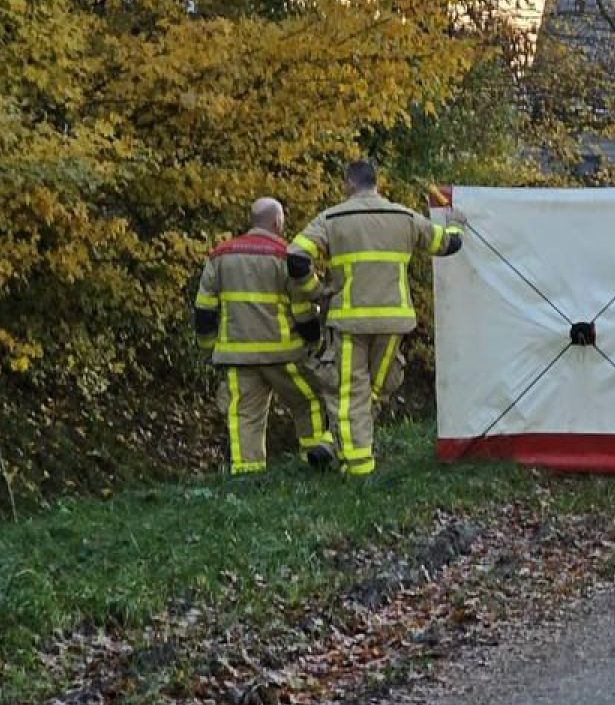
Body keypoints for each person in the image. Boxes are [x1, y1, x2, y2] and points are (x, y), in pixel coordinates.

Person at [289, 160, 464, 476]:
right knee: (375, 389)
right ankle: (333, 443)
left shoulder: (332, 218)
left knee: (349, 392)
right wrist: (456, 225)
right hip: (393, 322)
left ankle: (357, 467)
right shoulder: (404, 217)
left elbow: (296, 257)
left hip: (349, 322)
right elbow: (448, 245)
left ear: (348, 183)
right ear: (376, 184)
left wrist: (316, 291)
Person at [193, 198, 336, 475]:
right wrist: (313, 342)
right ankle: (315, 464)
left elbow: (205, 307)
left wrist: (208, 347)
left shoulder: (220, 255)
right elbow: (302, 308)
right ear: (277, 222)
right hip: (283, 353)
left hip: (237, 354)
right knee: (310, 402)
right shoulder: (284, 256)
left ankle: (247, 474)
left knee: (245, 415)